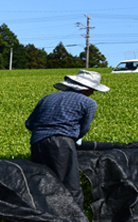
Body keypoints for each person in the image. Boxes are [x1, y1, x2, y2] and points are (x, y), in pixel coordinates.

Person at [25, 69, 109, 207]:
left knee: (42, 181)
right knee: (71, 185)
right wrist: (73, 139)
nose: (93, 93)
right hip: (62, 143)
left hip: (37, 142)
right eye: (92, 89)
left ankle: (44, 219)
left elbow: (29, 123)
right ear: (86, 88)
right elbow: (84, 129)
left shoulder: (47, 97)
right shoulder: (89, 103)